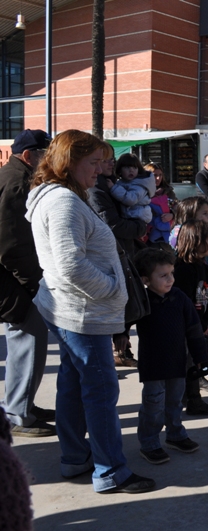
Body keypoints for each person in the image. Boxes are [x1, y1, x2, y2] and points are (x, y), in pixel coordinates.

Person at [26, 129, 155, 494]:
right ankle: (111, 471)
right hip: (84, 313)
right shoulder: (63, 202)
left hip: (72, 309)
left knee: (72, 383)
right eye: (94, 162)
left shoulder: (62, 196)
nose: (102, 169)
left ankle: (75, 457)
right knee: (99, 392)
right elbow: (71, 264)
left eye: (104, 161)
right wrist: (114, 291)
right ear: (69, 162)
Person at [0, 129, 55, 437]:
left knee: (26, 341)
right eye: (45, 155)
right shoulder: (18, 182)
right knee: (27, 340)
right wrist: (33, 284)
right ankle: (18, 414)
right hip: (12, 281)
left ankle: (23, 405)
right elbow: (12, 245)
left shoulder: (16, 177)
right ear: (28, 156)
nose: (49, 160)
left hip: (12, 278)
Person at [132, 248, 208, 464]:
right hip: (153, 365)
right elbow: (124, 320)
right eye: (163, 275)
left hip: (178, 363)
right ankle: (149, 442)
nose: (170, 279)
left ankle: (175, 434)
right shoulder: (142, 301)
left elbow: (194, 329)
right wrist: (120, 335)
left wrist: (201, 357)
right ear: (146, 279)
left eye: (171, 274)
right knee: (153, 404)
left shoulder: (180, 298)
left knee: (174, 402)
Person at [88, 148, 148, 368]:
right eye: (106, 160)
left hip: (124, 250)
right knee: (119, 306)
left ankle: (122, 350)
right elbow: (113, 225)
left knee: (126, 305)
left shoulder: (112, 183)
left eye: (113, 160)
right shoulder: (96, 189)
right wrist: (140, 226)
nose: (111, 164)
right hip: (113, 254)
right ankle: (117, 352)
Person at [173, 220, 208, 413]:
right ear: (196, 242)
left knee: (193, 362)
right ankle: (191, 401)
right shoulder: (183, 270)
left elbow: (204, 295)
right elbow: (183, 303)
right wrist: (194, 325)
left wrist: (204, 320)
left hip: (197, 325)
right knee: (188, 364)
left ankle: (190, 399)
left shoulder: (202, 265)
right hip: (185, 327)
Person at [110, 154, 155, 223]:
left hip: (138, 217)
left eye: (134, 167)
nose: (131, 170)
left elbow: (131, 199)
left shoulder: (140, 185)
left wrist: (113, 188)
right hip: (130, 216)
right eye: (127, 167)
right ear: (119, 170)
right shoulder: (122, 182)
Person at [144, 162, 174, 249]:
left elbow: (178, 207)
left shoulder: (168, 191)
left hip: (167, 234)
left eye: (160, 175)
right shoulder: (141, 191)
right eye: (154, 175)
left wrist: (172, 214)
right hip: (148, 235)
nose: (158, 178)